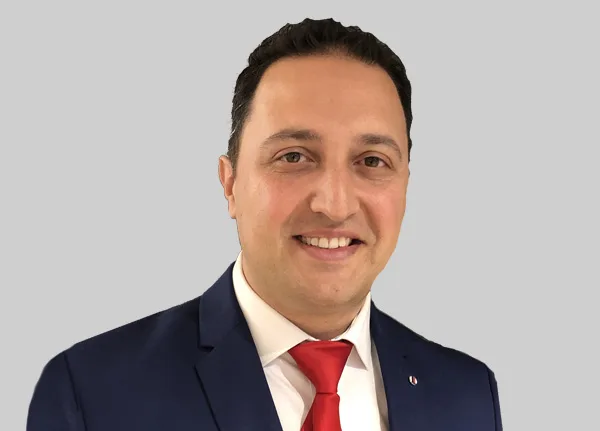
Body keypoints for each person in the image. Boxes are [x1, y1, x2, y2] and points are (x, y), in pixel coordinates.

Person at [27, 18, 502, 431]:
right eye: (294, 157)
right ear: (230, 183)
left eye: (372, 161)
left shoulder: (466, 393)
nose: (334, 205)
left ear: (405, 186)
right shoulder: (92, 394)